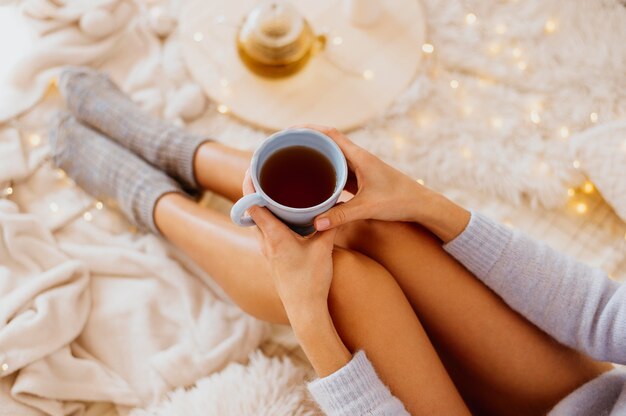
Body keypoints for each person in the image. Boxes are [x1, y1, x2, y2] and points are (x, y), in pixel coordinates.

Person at [50, 67, 625, 415]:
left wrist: (308, 324)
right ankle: (183, 153)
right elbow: (602, 314)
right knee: (363, 217)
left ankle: (153, 201)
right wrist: (423, 202)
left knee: (339, 287)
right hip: (578, 398)